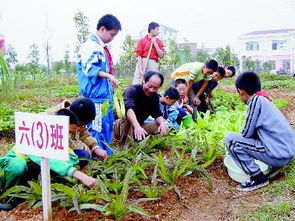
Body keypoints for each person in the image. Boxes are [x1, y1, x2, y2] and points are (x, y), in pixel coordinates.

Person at [0, 109, 97, 210]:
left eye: (71, 133)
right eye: (66, 131)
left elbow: (73, 159)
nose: (68, 136)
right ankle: (9, 196)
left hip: (26, 172)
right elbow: (44, 157)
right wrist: (79, 175)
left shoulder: (58, 143)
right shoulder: (38, 137)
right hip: (7, 170)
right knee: (18, 164)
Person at [225, 71, 295, 192]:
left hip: (278, 155)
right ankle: (271, 168)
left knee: (231, 140)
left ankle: (257, 178)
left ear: (240, 91)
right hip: (287, 152)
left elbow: (246, 133)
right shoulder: (265, 100)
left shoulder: (256, 101)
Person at [77, 14, 121, 156]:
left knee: (106, 126)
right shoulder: (91, 46)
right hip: (95, 97)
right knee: (96, 128)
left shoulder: (101, 47)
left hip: (104, 96)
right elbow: (90, 69)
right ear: (102, 29)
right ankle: (96, 158)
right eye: (112, 35)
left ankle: (106, 155)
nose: (112, 38)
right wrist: (108, 76)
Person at [114, 71, 167, 146]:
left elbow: (157, 114)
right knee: (129, 119)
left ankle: (141, 140)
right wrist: (137, 126)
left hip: (139, 125)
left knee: (160, 126)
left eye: (155, 88)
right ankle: (124, 147)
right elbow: (129, 110)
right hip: (121, 125)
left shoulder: (155, 97)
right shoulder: (132, 91)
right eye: (149, 86)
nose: (151, 90)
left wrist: (162, 124)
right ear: (144, 81)